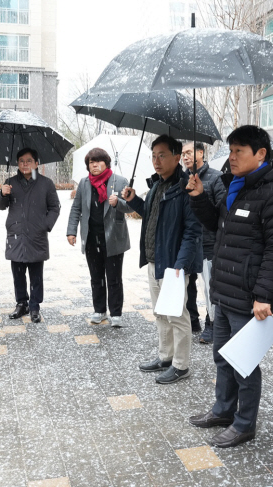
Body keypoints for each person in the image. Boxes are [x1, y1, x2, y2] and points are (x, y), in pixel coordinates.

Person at [186, 125, 273, 448]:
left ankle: (245, 423)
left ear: (261, 154)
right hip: (225, 288)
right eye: (230, 151)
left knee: (243, 362)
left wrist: (264, 295)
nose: (231, 158)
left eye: (239, 152)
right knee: (223, 355)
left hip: (248, 295)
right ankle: (223, 409)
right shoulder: (235, 186)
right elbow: (218, 226)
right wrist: (199, 198)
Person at [122, 134, 202, 385]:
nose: (156, 161)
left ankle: (181, 365)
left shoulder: (186, 186)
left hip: (174, 263)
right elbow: (152, 214)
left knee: (177, 315)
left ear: (177, 157)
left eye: (162, 155)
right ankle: (165, 357)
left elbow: (192, 231)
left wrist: (180, 265)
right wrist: (134, 200)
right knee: (160, 313)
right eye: (153, 156)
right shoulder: (158, 184)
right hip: (155, 259)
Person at [67, 148, 133, 327]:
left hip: (113, 237)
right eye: (91, 162)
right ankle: (99, 310)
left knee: (114, 277)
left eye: (98, 161)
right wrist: (71, 231)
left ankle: (116, 313)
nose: (94, 165)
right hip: (91, 238)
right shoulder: (84, 183)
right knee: (96, 277)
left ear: (106, 163)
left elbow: (131, 207)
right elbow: (76, 208)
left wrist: (118, 202)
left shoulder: (120, 181)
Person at [0, 147, 60, 323]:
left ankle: (34, 306)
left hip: (36, 235)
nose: (25, 164)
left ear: (36, 163)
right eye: (22, 161)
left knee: (36, 274)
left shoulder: (46, 183)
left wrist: (45, 225)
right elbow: (0, 206)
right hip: (16, 234)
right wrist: (3, 193)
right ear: (17, 163)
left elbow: (55, 207)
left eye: (29, 161)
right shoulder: (10, 182)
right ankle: (21, 304)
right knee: (18, 273)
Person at [181, 141, 225, 343]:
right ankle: (193, 318)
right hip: (188, 242)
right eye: (183, 154)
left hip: (208, 242)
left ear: (201, 153)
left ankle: (212, 324)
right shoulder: (183, 179)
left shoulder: (216, 178)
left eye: (189, 152)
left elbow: (220, 212)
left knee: (210, 286)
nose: (185, 156)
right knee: (188, 286)